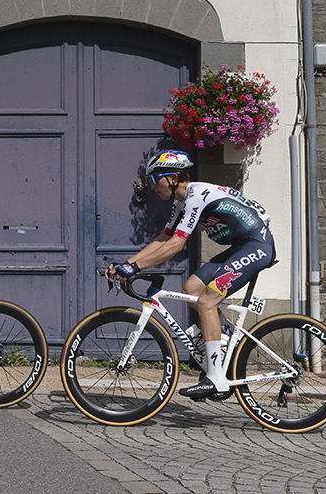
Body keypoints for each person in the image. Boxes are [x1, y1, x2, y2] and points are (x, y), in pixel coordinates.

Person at [106, 149, 275, 400]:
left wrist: (135, 268)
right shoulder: (180, 202)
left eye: (155, 179)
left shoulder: (197, 195)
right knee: (192, 289)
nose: (152, 186)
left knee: (207, 301)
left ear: (173, 178)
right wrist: (127, 263)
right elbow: (164, 238)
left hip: (257, 246)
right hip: (240, 247)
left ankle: (217, 379)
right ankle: (223, 340)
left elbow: (175, 246)